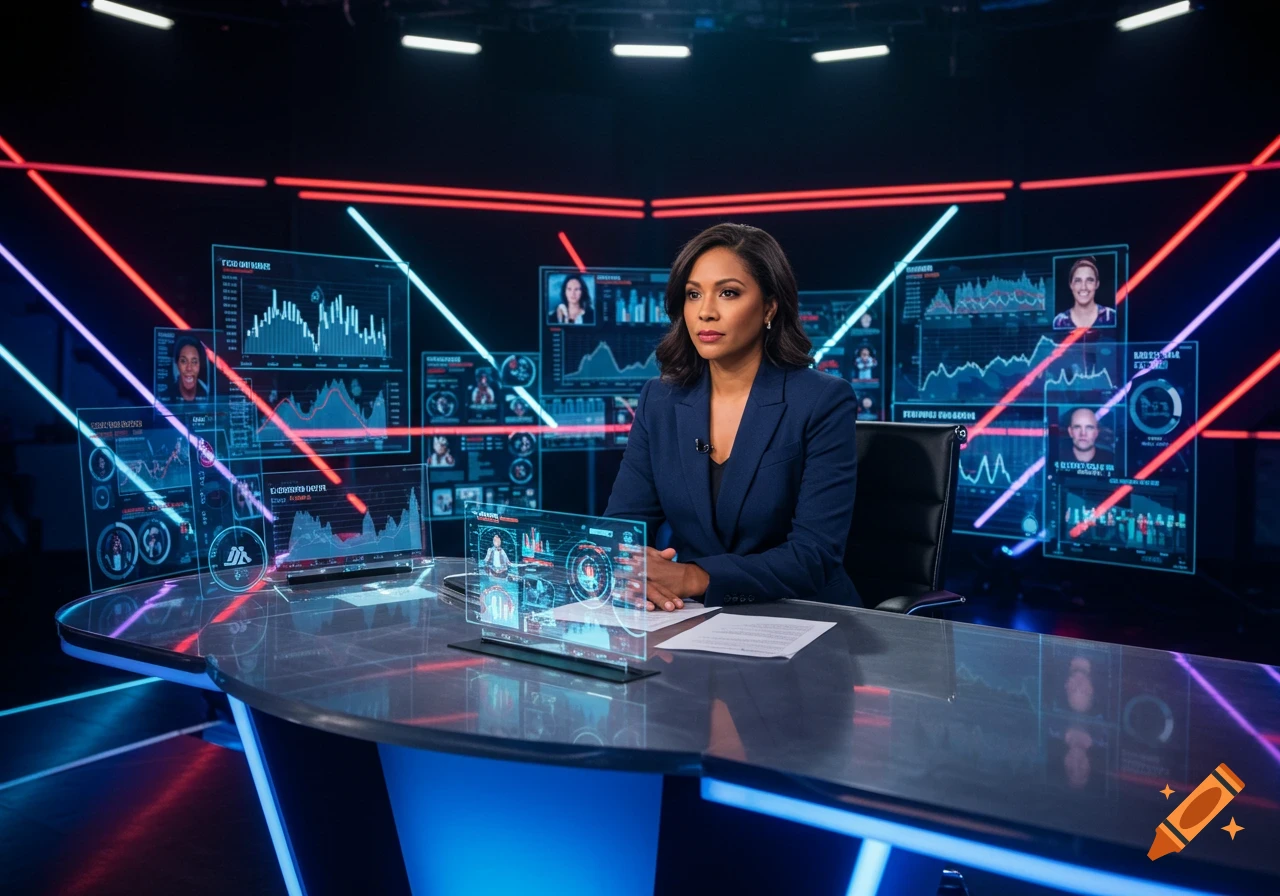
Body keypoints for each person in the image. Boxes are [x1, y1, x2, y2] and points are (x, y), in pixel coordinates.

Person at [605, 223, 860, 610]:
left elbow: (815, 555)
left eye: (728, 293)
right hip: (688, 616)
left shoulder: (822, 400)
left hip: (803, 615)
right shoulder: (660, 399)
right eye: (693, 295)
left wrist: (694, 577)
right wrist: (637, 574)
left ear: (770, 307)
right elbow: (623, 525)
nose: (706, 312)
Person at [1053, 258, 1116, 330]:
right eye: (1078, 281)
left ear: (1097, 284)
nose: (1083, 287)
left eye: (1089, 280)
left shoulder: (1111, 317)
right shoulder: (1059, 322)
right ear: (1071, 285)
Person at [171, 334, 210, 402]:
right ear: (177, 364)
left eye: (194, 362)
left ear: (200, 364)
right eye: (183, 361)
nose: (189, 368)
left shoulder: (206, 394)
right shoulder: (165, 396)